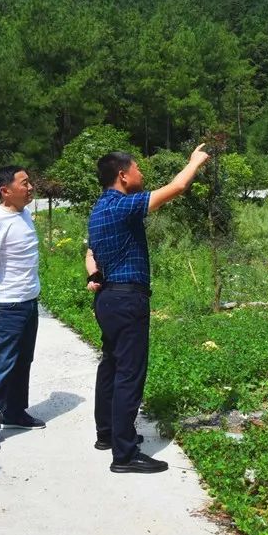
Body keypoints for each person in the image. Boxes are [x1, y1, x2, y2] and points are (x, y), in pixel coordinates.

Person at [87, 145, 209, 473]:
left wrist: (94, 273)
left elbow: (90, 253)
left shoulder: (98, 209)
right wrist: (194, 162)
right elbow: (177, 188)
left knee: (112, 366)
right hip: (127, 300)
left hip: (109, 299)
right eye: (137, 169)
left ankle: (108, 434)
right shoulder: (123, 206)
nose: (142, 174)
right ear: (123, 175)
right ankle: (124, 455)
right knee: (130, 373)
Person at [0, 165, 44, 453]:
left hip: (28, 301)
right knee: (2, 365)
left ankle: (14, 412)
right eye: (24, 183)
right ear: (6, 191)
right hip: (7, 306)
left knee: (23, 360)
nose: (30, 188)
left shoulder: (23, 213)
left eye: (30, 182)